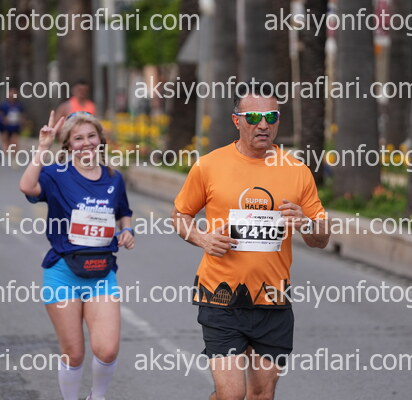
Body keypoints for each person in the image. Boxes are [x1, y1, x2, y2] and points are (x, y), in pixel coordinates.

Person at [172, 82, 330, 400]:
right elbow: (180, 216)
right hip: (220, 296)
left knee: (261, 393)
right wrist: (202, 238)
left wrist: (305, 223)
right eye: (254, 117)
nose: (263, 125)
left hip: (273, 299)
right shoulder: (209, 166)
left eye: (271, 117)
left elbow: (322, 237)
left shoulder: (297, 171)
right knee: (231, 393)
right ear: (237, 120)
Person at [20, 110, 134, 400]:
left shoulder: (113, 177)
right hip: (63, 272)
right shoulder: (56, 174)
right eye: (78, 138)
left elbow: (124, 211)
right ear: (68, 145)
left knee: (107, 349)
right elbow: (27, 187)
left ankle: (97, 396)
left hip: (102, 273)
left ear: (100, 140)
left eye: (91, 136)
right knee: (73, 352)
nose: (86, 143)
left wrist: (127, 230)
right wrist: (42, 147)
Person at [0, 86, 25, 154]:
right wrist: (4, 119)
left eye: (14, 93)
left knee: (14, 142)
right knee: (6, 143)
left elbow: (22, 115)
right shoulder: (4, 105)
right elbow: (0, 115)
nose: (13, 95)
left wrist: (22, 123)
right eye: (11, 93)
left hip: (15, 127)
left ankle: (14, 156)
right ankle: (6, 156)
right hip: (6, 128)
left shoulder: (19, 105)